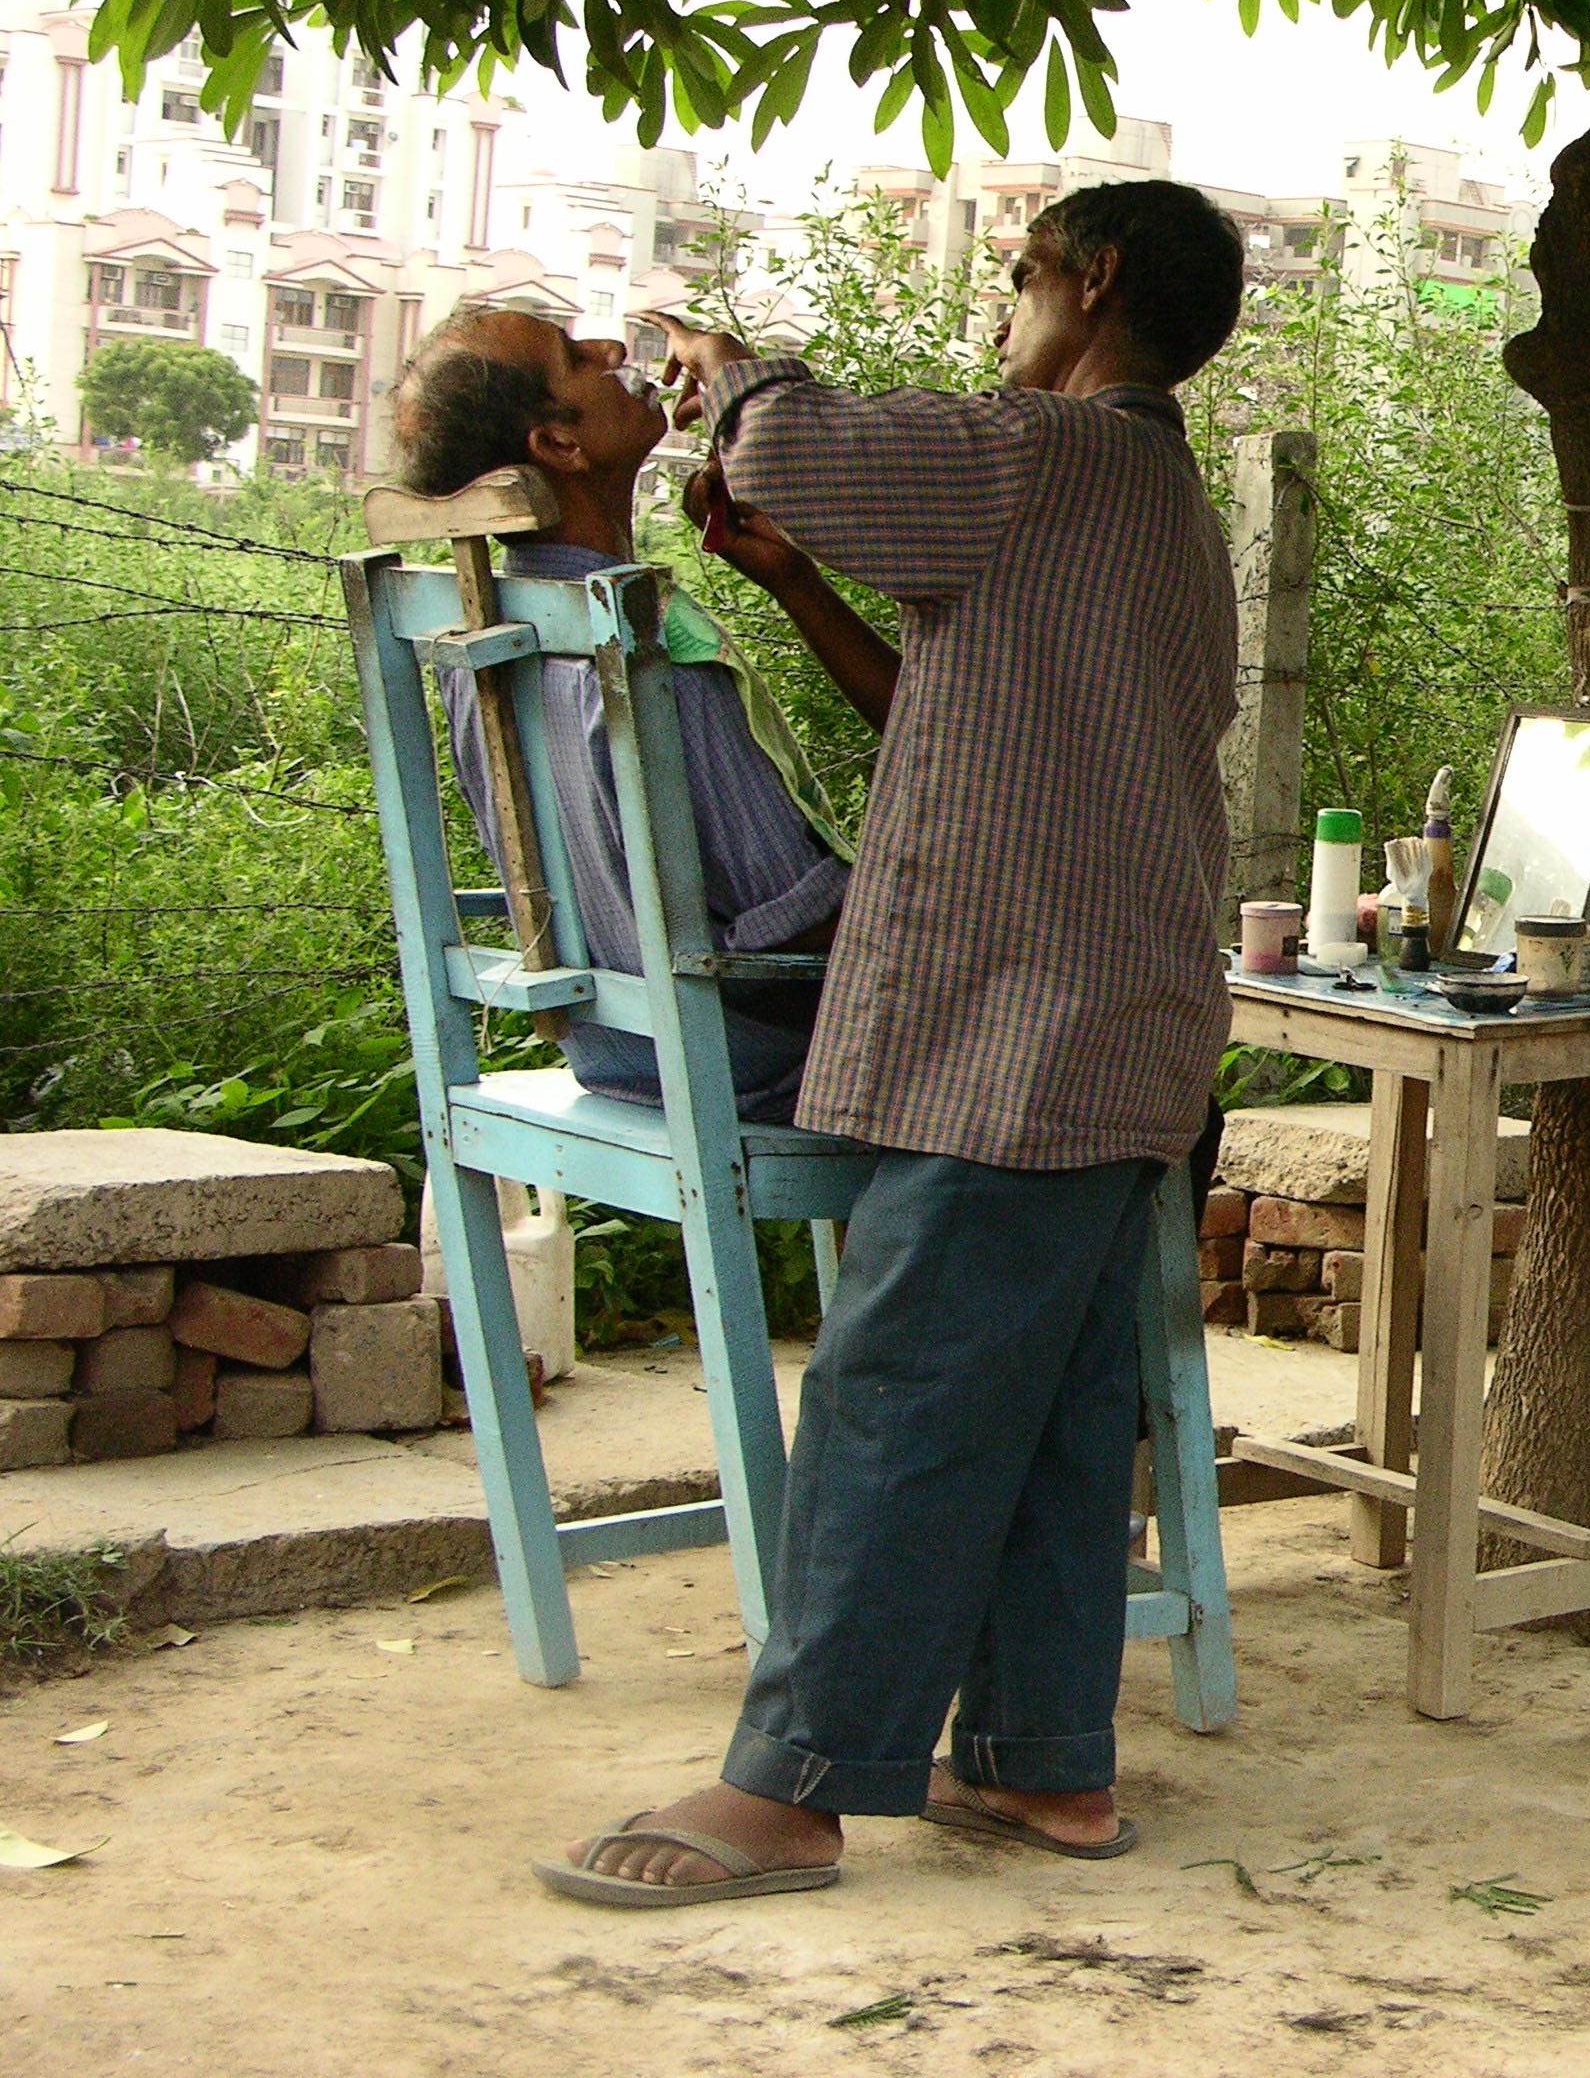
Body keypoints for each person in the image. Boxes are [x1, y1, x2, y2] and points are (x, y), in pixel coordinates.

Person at [536, 179, 1244, 1906]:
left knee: (900, 1383)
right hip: (1115, 1006)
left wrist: (733, 368)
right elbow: (939, 709)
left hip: (1026, 1009)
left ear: (1091, 282)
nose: (1002, 313)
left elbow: (791, 450)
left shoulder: (1046, 451)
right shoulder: (1146, 499)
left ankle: (791, 1786)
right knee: (1060, 1406)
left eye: (1016, 278)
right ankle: (1044, 1769)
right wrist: (789, 589)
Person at [399, 309, 898, 1123]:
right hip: (756, 1056)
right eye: (574, 357)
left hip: (615, 1051)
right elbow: (793, 923)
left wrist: (795, 581)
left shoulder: (487, 639)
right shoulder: (641, 642)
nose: (612, 351)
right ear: (560, 447)